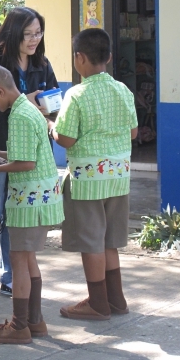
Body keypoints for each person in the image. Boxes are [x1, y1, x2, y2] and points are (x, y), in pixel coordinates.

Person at [0, 7, 59, 301]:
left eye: (38, 33)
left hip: (26, 155)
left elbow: (54, 102)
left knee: (16, 217)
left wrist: (44, 107)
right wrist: (26, 101)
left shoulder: (41, 63)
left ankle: (11, 277)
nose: (34, 39)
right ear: (13, 33)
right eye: (28, 34)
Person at [48, 28, 138, 321]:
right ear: (109, 57)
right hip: (119, 176)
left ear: (79, 58)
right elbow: (133, 132)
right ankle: (116, 299)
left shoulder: (76, 94)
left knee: (91, 241)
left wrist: (51, 127)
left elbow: (66, 139)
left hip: (88, 181)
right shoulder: (123, 90)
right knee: (110, 240)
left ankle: (98, 303)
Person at [0, 64, 64, 344]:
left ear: (0, 91)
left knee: (19, 260)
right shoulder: (27, 110)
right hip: (40, 197)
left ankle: (19, 326)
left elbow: (26, 163)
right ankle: (35, 321)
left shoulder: (20, 116)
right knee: (27, 258)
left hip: (29, 198)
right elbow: (21, 154)